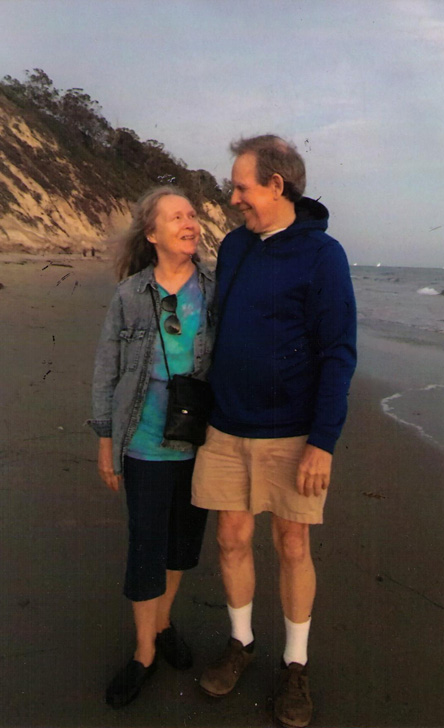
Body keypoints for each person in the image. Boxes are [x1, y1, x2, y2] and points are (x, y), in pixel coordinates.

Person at [192, 135, 357, 728]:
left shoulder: (323, 256)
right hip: (226, 426)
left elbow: (338, 352)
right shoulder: (234, 249)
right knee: (231, 539)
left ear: (276, 186)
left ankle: (295, 663)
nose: (233, 197)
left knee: (293, 546)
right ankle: (241, 643)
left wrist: (323, 441)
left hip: (292, 433)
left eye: (241, 187)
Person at [89, 186, 214, 709]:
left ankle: (163, 625)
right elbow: (106, 367)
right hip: (142, 441)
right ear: (153, 233)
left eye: (192, 214)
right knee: (146, 546)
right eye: (177, 216)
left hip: (200, 444)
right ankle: (144, 652)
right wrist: (104, 438)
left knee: (182, 547)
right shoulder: (130, 295)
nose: (190, 222)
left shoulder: (215, 288)